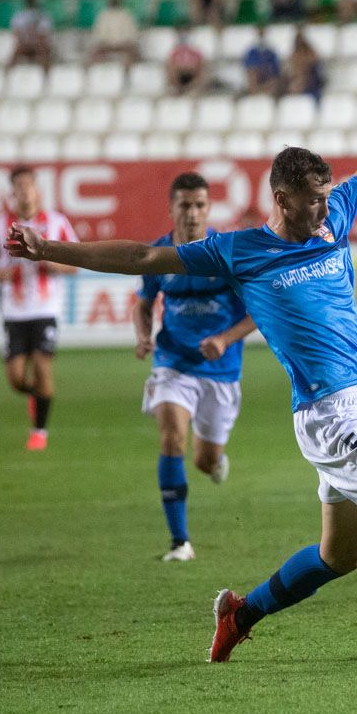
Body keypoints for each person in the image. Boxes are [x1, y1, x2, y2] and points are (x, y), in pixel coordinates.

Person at [6, 61, 357, 663]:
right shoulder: (240, 251)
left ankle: (240, 612)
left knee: (341, 557)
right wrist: (51, 250)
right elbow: (146, 258)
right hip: (329, 417)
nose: (321, 213)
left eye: (326, 200)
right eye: (310, 204)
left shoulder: (333, 216)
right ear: (280, 199)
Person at [134, 172, 258, 562]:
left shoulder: (226, 252)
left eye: (200, 205)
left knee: (204, 460)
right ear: (172, 208)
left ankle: (215, 460)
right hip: (172, 362)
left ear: (209, 208)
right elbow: (143, 302)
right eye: (184, 205)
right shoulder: (157, 254)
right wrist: (143, 334)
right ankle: (180, 542)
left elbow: (257, 312)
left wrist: (224, 339)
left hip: (220, 371)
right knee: (171, 438)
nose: (192, 213)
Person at [0, 167, 78, 452]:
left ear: (38, 190)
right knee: (15, 378)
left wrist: (51, 263)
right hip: (13, 310)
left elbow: (74, 264)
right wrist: (2, 274)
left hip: (45, 308)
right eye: (19, 186)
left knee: (42, 367)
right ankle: (35, 396)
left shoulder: (56, 222)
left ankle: (39, 432)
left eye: (29, 185)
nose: (24, 191)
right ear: (11, 192)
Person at [88, 0, 140, 66]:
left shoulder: (126, 14)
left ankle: (127, 77)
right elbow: (98, 35)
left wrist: (120, 44)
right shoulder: (103, 15)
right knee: (92, 55)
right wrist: (108, 44)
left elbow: (131, 36)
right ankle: (93, 77)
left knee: (132, 54)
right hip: (107, 46)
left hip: (123, 46)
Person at [9, 0, 54, 69]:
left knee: (43, 49)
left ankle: (46, 78)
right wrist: (25, 42)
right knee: (17, 50)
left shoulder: (42, 15)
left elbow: (44, 35)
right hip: (25, 44)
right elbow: (16, 34)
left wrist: (35, 42)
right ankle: (6, 76)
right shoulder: (19, 16)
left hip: (38, 45)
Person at [242, 25, 282, 95]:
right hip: (255, 86)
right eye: (259, 30)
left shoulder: (271, 52)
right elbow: (250, 73)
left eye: (263, 30)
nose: (261, 33)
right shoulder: (252, 52)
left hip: (269, 85)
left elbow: (275, 73)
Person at [166, 29, 209, 94]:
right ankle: (179, 88)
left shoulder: (196, 52)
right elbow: (170, 67)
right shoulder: (175, 52)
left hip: (193, 79)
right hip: (179, 80)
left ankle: (190, 88)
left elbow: (202, 66)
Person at [284, 34, 326, 99]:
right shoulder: (294, 54)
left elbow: (316, 62)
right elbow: (292, 69)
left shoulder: (311, 52)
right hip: (298, 79)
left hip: (311, 79)